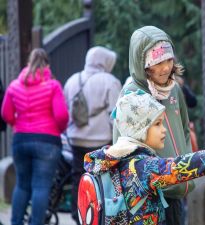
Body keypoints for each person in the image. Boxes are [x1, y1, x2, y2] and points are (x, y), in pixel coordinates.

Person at [84, 90, 205, 224]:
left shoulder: (116, 157)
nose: (163, 130)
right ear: (139, 128)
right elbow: (185, 165)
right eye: (157, 124)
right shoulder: (141, 167)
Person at [114, 26, 193, 225]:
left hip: (177, 187)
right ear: (143, 64)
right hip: (151, 195)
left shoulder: (174, 88)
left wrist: (186, 168)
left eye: (168, 59)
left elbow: (184, 129)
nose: (166, 67)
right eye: (157, 62)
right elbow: (121, 145)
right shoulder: (132, 93)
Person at [1, 48, 69, 225]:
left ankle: (15, 222)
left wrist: (16, 124)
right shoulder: (53, 86)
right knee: (41, 186)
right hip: (47, 141)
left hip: (21, 140)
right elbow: (61, 116)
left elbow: (6, 113)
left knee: (22, 184)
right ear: (47, 64)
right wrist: (58, 130)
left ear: (28, 63)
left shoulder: (14, 86)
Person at [64, 46, 122, 224]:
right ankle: (99, 216)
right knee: (101, 180)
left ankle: (78, 214)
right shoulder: (110, 81)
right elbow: (116, 116)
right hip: (100, 140)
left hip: (76, 139)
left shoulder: (72, 80)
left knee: (78, 177)